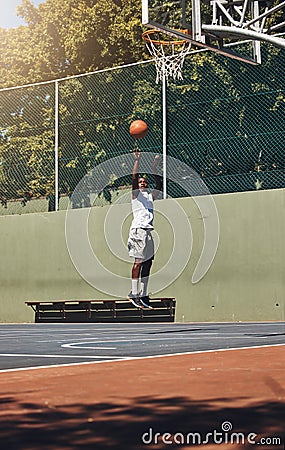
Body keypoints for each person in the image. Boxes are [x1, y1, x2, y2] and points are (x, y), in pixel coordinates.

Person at [127, 150, 162, 309]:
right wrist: (137, 161)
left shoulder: (150, 196)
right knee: (139, 261)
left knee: (148, 263)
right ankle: (133, 293)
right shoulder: (136, 195)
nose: (142, 183)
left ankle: (143, 293)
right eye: (141, 182)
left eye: (144, 182)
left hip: (148, 231)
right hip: (138, 231)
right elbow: (134, 178)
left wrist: (155, 167)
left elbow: (159, 184)